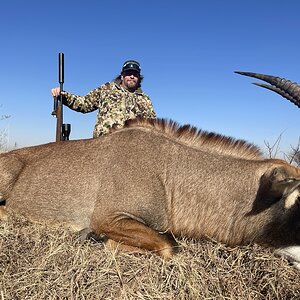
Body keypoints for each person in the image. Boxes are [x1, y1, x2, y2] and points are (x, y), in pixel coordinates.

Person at [51, 60, 156, 138]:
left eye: (135, 74)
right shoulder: (106, 89)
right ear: (122, 76)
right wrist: (64, 96)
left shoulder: (145, 100)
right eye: (128, 73)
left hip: (132, 148)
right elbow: (84, 104)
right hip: (103, 145)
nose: (132, 76)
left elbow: (153, 127)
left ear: (139, 78)